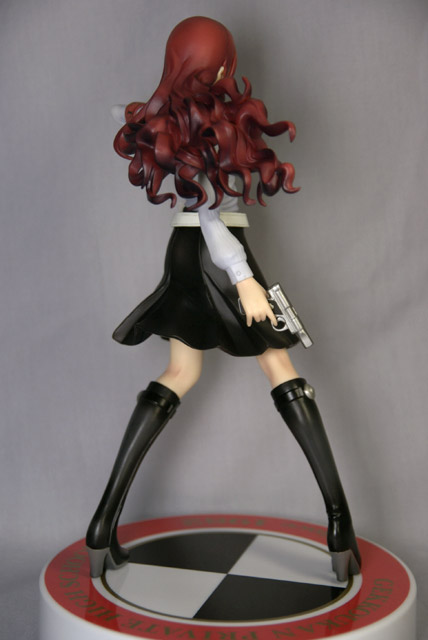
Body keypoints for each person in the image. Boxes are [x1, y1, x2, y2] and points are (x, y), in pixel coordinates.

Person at [86, 16, 361, 582]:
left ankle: (102, 523)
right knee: (280, 365)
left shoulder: (164, 117)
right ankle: (339, 523)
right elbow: (212, 214)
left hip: (182, 254)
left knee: (180, 372)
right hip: (220, 254)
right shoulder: (210, 124)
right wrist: (243, 278)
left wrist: (147, 107)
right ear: (220, 68)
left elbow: (120, 113)